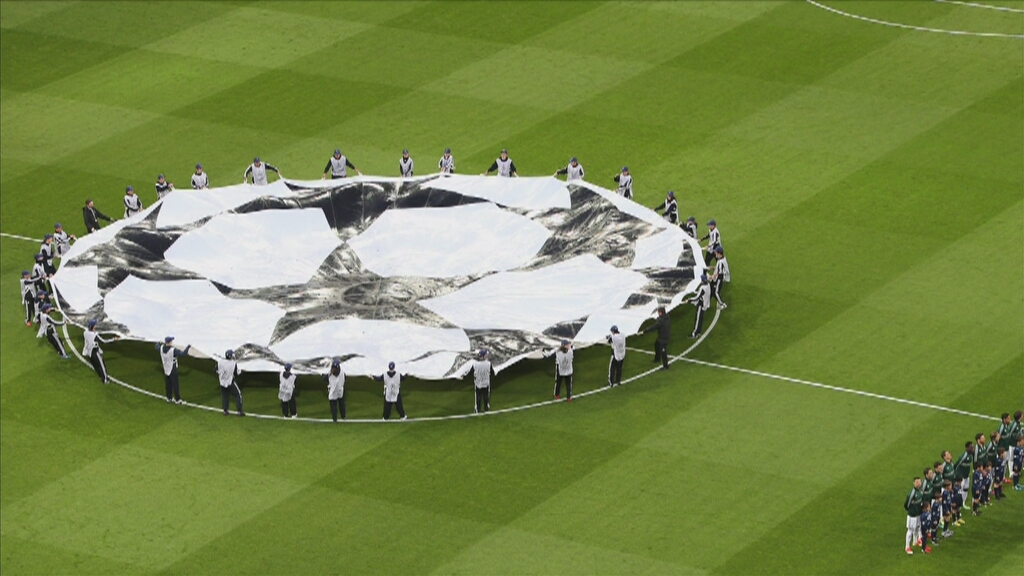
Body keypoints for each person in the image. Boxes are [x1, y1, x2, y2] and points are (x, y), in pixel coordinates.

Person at [157, 336, 190, 405]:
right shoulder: (173, 350)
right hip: (173, 369)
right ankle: (178, 400)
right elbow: (184, 354)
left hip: (166, 369)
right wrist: (188, 347)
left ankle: (169, 398)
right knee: (175, 385)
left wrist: (159, 342)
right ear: (169, 342)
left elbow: (157, 346)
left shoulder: (161, 348)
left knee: (168, 384)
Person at [83, 319, 117, 383]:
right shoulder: (94, 335)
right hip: (95, 351)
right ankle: (105, 379)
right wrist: (114, 339)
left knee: (96, 366)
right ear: (92, 327)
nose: (96, 326)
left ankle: (101, 377)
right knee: (101, 365)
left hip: (89, 352)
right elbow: (104, 341)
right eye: (95, 325)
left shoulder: (85, 333)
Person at [217, 349, 244, 416]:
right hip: (230, 382)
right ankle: (240, 411)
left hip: (222, 382)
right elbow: (237, 373)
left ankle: (225, 410)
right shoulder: (233, 363)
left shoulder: (220, 362)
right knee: (238, 395)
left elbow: (216, 370)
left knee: (225, 397)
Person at [903, 476, 924, 554]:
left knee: (918, 527)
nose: (919, 483)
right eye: (917, 482)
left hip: (918, 514)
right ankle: (907, 547)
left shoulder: (920, 491)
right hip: (912, 515)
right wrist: (911, 511)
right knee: (910, 530)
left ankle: (915, 541)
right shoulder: (912, 493)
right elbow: (906, 505)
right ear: (914, 483)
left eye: (920, 481)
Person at [953, 441, 974, 517]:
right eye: (971, 447)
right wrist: (955, 474)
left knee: (966, 489)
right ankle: (958, 507)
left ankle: (963, 503)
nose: (973, 449)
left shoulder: (971, 455)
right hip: (961, 476)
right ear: (967, 448)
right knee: (959, 491)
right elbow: (957, 464)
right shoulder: (964, 456)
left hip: (966, 476)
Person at [687, 273, 711, 338]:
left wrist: (689, 300)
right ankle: (699, 332)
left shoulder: (702, 288)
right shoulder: (708, 285)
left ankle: (695, 334)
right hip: (705, 304)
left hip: (701, 304)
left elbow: (697, 298)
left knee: (698, 319)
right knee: (701, 318)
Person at [324, 357, 346, 422]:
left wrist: (328, 374)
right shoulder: (342, 372)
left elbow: (325, 378)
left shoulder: (332, 373)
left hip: (334, 391)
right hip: (340, 390)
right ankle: (342, 416)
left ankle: (337, 418)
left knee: (335, 405)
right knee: (341, 403)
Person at [998, 413, 1016, 483]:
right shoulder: (1002, 427)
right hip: (1002, 450)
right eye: (1008, 418)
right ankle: (999, 479)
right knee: (1001, 464)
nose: (1010, 419)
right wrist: (1000, 449)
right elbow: (998, 438)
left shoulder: (1007, 426)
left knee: (1005, 463)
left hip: (1007, 448)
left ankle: (1003, 477)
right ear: (1004, 419)